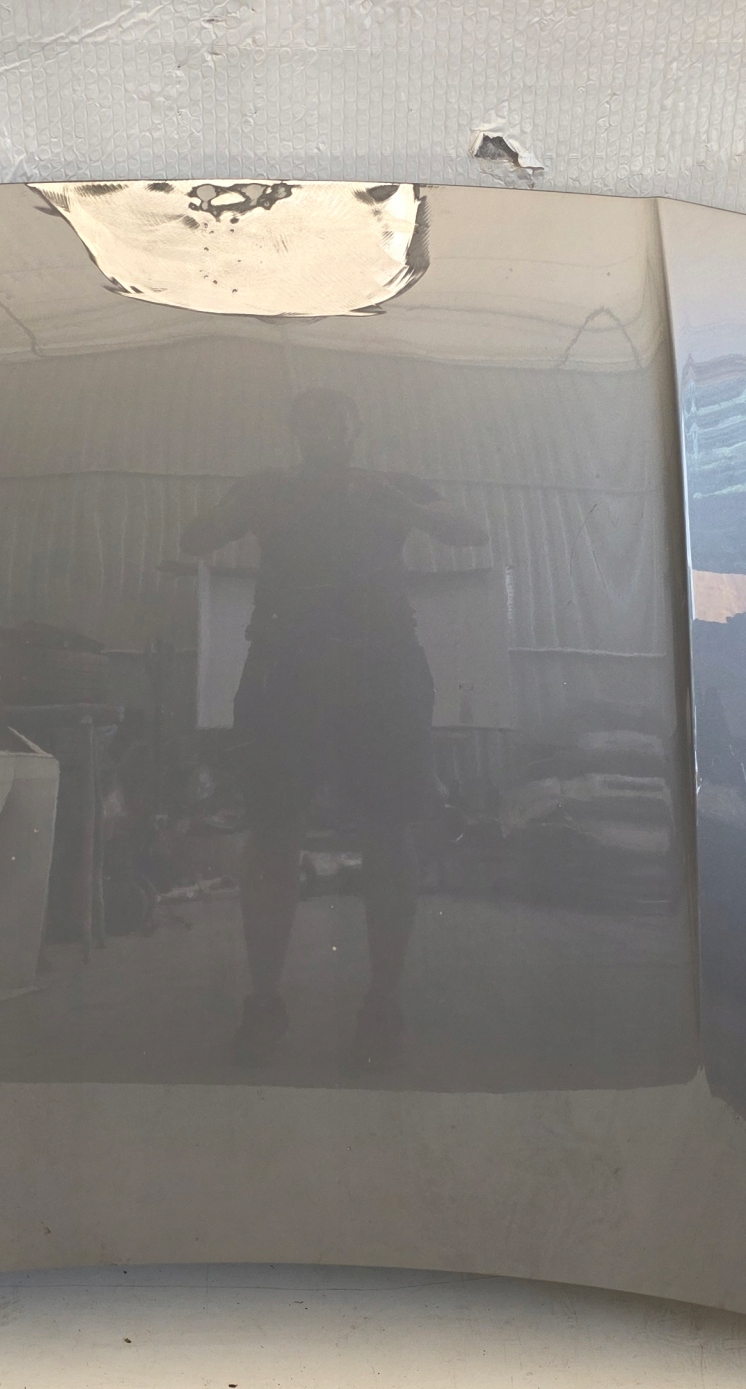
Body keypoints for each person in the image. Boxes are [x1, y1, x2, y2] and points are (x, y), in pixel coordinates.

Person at [182, 390, 485, 1066]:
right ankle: (265, 1001)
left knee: (389, 832)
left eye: (338, 419)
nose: (326, 430)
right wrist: (243, 510)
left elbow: (471, 530)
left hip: (380, 672)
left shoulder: (390, 485)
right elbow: (193, 538)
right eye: (312, 420)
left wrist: (401, 505)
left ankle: (383, 1004)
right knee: (273, 832)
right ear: (296, 429)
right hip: (286, 672)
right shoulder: (266, 486)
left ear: (358, 427)